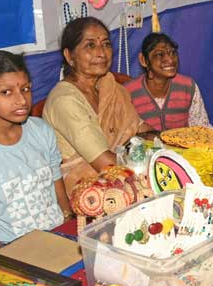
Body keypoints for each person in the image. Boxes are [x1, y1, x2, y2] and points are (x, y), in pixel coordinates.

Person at [0, 50, 71, 246]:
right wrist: (7, 253)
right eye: (6, 92)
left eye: (25, 89)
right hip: (12, 250)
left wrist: (68, 225)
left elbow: (58, 189)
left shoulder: (41, 131)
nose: (21, 100)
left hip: (58, 237)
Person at [42, 17, 151, 193]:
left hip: (124, 172)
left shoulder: (109, 87)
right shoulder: (64, 100)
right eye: (90, 45)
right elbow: (106, 164)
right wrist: (152, 171)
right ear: (69, 56)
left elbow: (141, 129)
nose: (102, 53)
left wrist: (169, 150)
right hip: (87, 189)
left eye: (106, 44)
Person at [124, 32, 212, 130]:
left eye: (173, 53)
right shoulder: (127, 92)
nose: (170, 60)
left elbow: (201, 128)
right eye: (160, 55)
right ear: (144, 60)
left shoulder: (188, 87)